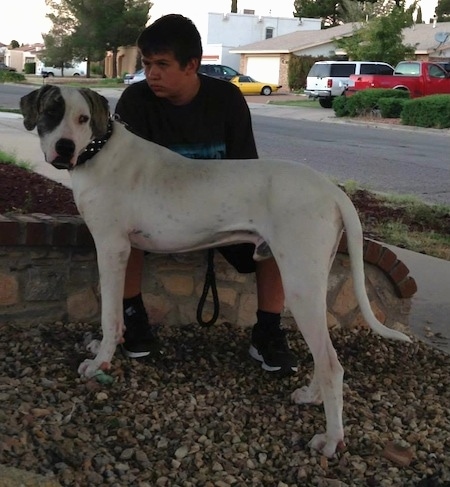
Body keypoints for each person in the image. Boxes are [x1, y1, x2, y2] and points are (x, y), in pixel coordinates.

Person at [114, 14, 298, 375]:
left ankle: (267, 331)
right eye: (147, 64)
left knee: (277, 229)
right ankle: (132, 318)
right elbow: (120, 177)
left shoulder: (226, 100)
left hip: (221, 211)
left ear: (192, 65)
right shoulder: (134, 102)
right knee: (121, 226)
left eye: (163, 65)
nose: (151, 73)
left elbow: (246, 171)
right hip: (156, 210)